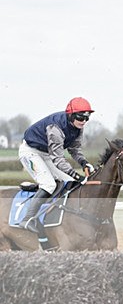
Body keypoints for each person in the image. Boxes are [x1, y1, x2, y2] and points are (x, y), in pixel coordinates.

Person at [17, 97, 95, 233]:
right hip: (30, 152)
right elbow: (58, 159)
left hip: (47, 153)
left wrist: (84, 163)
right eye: (80, 117)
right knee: (49, 184)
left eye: (86, 118)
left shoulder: (78, 127)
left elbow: (75, 150)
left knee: (69, 182)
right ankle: (27, 219)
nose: (83, 121)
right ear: (71, 115)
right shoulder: (55, 129)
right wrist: (78, 176)